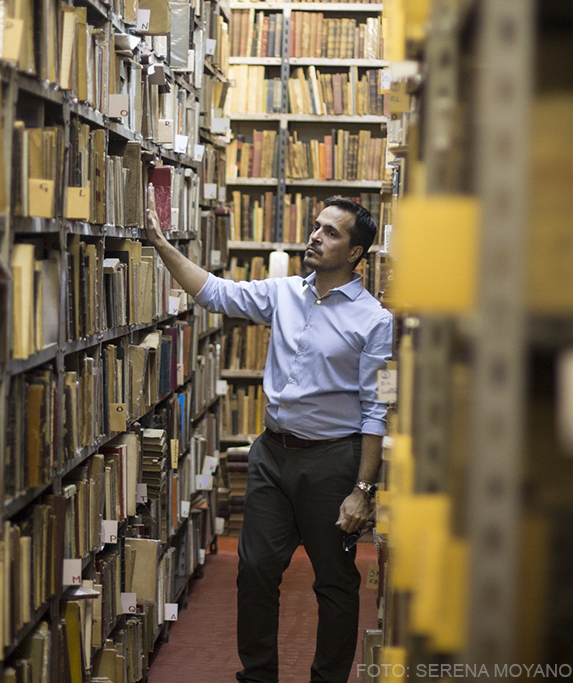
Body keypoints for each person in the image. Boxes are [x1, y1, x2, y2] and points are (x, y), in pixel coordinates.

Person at [144, 185, 392, 683]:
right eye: (316, 227)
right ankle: (258, 677)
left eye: (330, 233)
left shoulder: (376, 321)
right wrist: (160, 243)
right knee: (254, 571)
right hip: (271, 457)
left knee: (335, 585)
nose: (315, 237)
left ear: (356, 253)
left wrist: (363, 491)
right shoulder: (284, 293)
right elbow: (214, 292)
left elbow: (377, 409)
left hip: (333, 463)